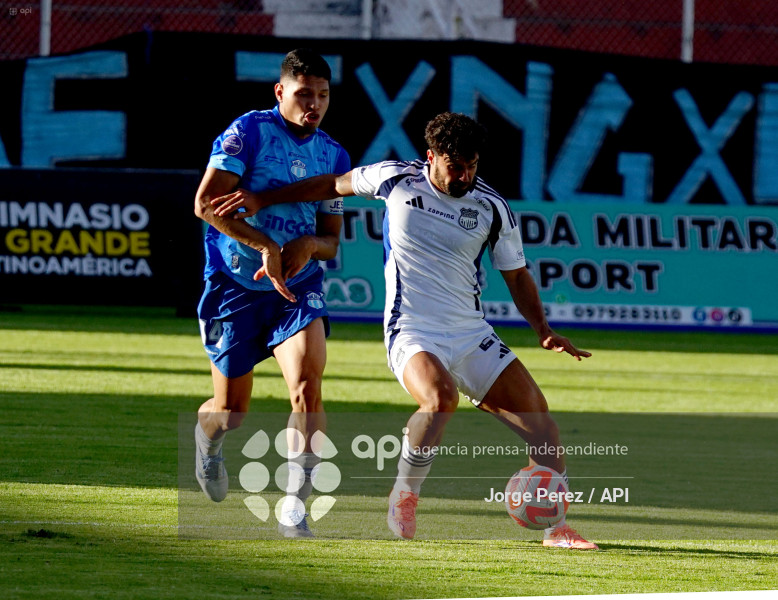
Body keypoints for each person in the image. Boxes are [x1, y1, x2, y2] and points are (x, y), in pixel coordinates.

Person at [210, 112, 597, 549]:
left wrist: (542, 329)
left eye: (472, 165)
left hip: (470, 332)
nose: (465, 175)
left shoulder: (492, 207)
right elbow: (330, 185)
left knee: (543, 426)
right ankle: (405, 493)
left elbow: (517, 274)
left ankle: (555, 527)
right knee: (439, 399)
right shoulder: (394, 178)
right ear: (431, 157)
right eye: (455, 165)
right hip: (411, 329)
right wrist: (263, 199)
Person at [192, 48, 350, 538]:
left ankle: (295, 503)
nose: (315, 104)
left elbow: (330, 241)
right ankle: (208, 440)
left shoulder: (334, 154)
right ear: (280, 92)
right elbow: (204, 205)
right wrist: (264, 244)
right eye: (304, 93)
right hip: (236, 285)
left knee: (307, 384)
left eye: (323, 95)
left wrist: (305, 245)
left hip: (297, 289)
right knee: (232, 413)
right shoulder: (248, 133)